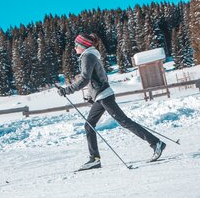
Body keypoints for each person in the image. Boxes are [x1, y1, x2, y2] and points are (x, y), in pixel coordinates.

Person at [57, 33, 166, 171]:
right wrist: (92, 96)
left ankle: (156, 143)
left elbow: (85, 79)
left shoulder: (87, 56)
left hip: (104, 96)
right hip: (101, 96)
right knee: (89, 125)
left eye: (76, 45)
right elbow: (100, 77)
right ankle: (94, 159)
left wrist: (67, 90)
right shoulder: (92, 56)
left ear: (83, 45)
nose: (74, 48)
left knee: (124, 122)